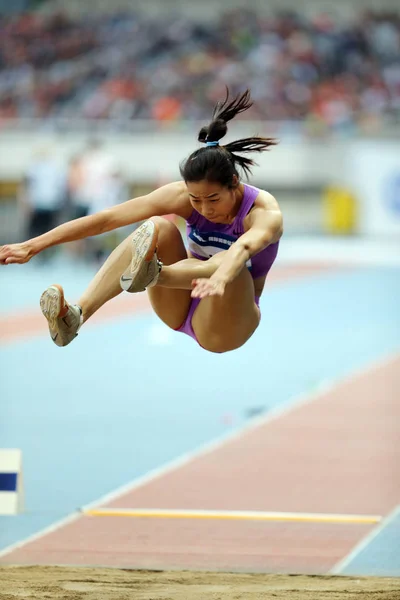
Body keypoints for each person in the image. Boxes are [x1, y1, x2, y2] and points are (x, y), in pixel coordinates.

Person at [0, 90, 283, 354]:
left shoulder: (262, 212)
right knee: (157, 227)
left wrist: (218, 276)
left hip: (226, 322)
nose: (205, 208)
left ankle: (153, 274)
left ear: (234, 183)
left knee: (234, 267)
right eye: (196, 200)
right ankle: (77, 316)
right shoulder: (181, 195)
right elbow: (106, 219)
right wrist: (33, 245)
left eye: (213, 199)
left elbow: (243, 249)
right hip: (179, 303)